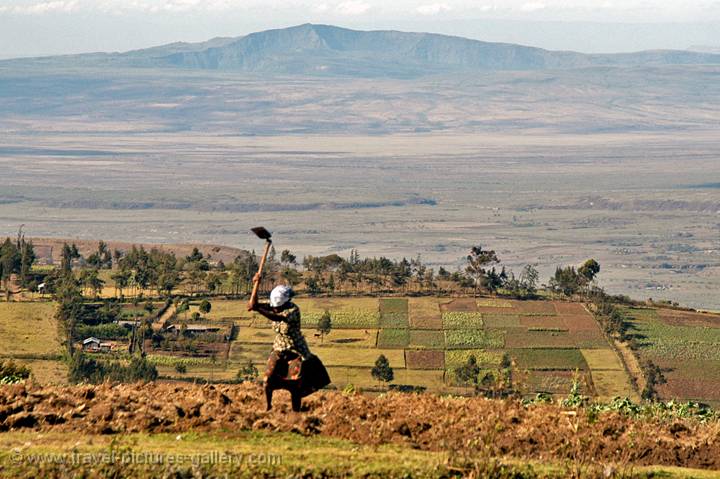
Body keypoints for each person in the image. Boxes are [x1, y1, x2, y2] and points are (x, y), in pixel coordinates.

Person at [249, 280, 328, 412]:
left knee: (295, 385)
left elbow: (276, 317)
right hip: (279, 349)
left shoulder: (292, 310)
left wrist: (258, 310)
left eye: (276, 307)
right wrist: (256, 283)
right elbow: (253, 304)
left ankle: (296, 413)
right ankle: (268, 406)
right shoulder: (274, 306)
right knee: (268, 379)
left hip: (296, 351)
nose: (274, 308)